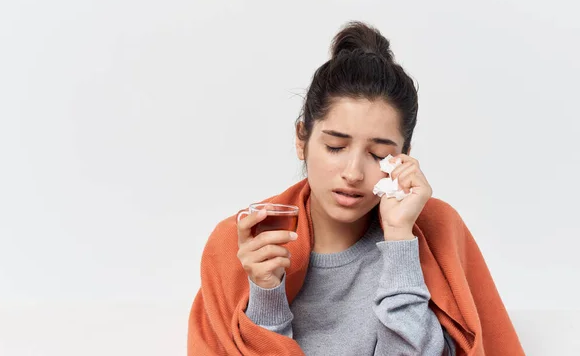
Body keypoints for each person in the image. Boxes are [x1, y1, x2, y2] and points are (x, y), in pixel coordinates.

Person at [188, 21, 524, 355]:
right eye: (335, 146)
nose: (353, 173)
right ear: (301, 138)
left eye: (378, 155)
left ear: (403, 158)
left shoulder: (432, 234)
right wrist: (266, 294)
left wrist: (399, 239)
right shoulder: (244, 243)